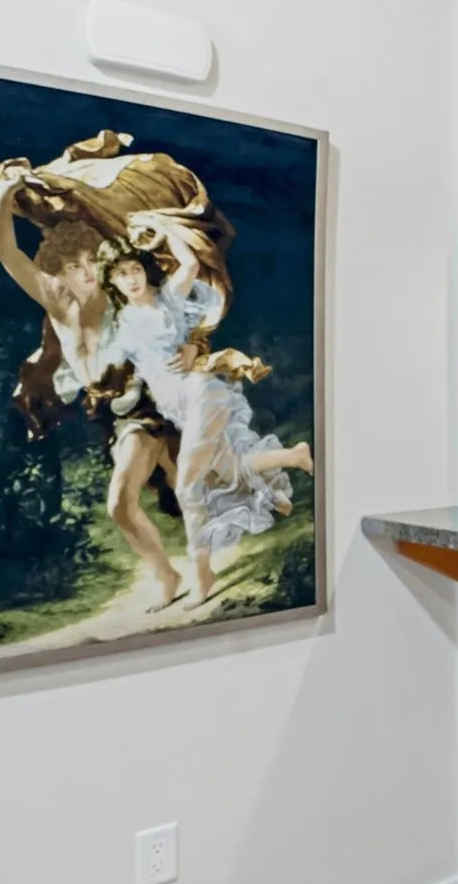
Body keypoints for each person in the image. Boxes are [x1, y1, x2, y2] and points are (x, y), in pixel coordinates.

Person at [0, 171, 184, 609]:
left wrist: (186, 352)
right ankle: (182, 563)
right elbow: (4, 249)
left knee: (121, 503)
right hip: (109, 416)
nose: (86, 272)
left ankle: (169, 575)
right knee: (189, 487)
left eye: (90, 260)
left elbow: (173, 313)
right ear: (58, 271)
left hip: (145, 407)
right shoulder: (54, 298)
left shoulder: (122, 297)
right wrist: (6, 192)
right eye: (73, 266)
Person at [96, 220, 312, 606]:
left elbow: (190, 265)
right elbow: (109, 366)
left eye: (134, 269)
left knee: (188, 487)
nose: (130, 279)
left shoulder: (168, 299)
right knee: (226, 470)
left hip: (200, 392)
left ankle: (202, 574)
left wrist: (161, 228)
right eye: (120, 274)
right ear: (111, 282)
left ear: (144, 269)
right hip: (174, 406)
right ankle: (294, 456)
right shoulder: (120, 323)